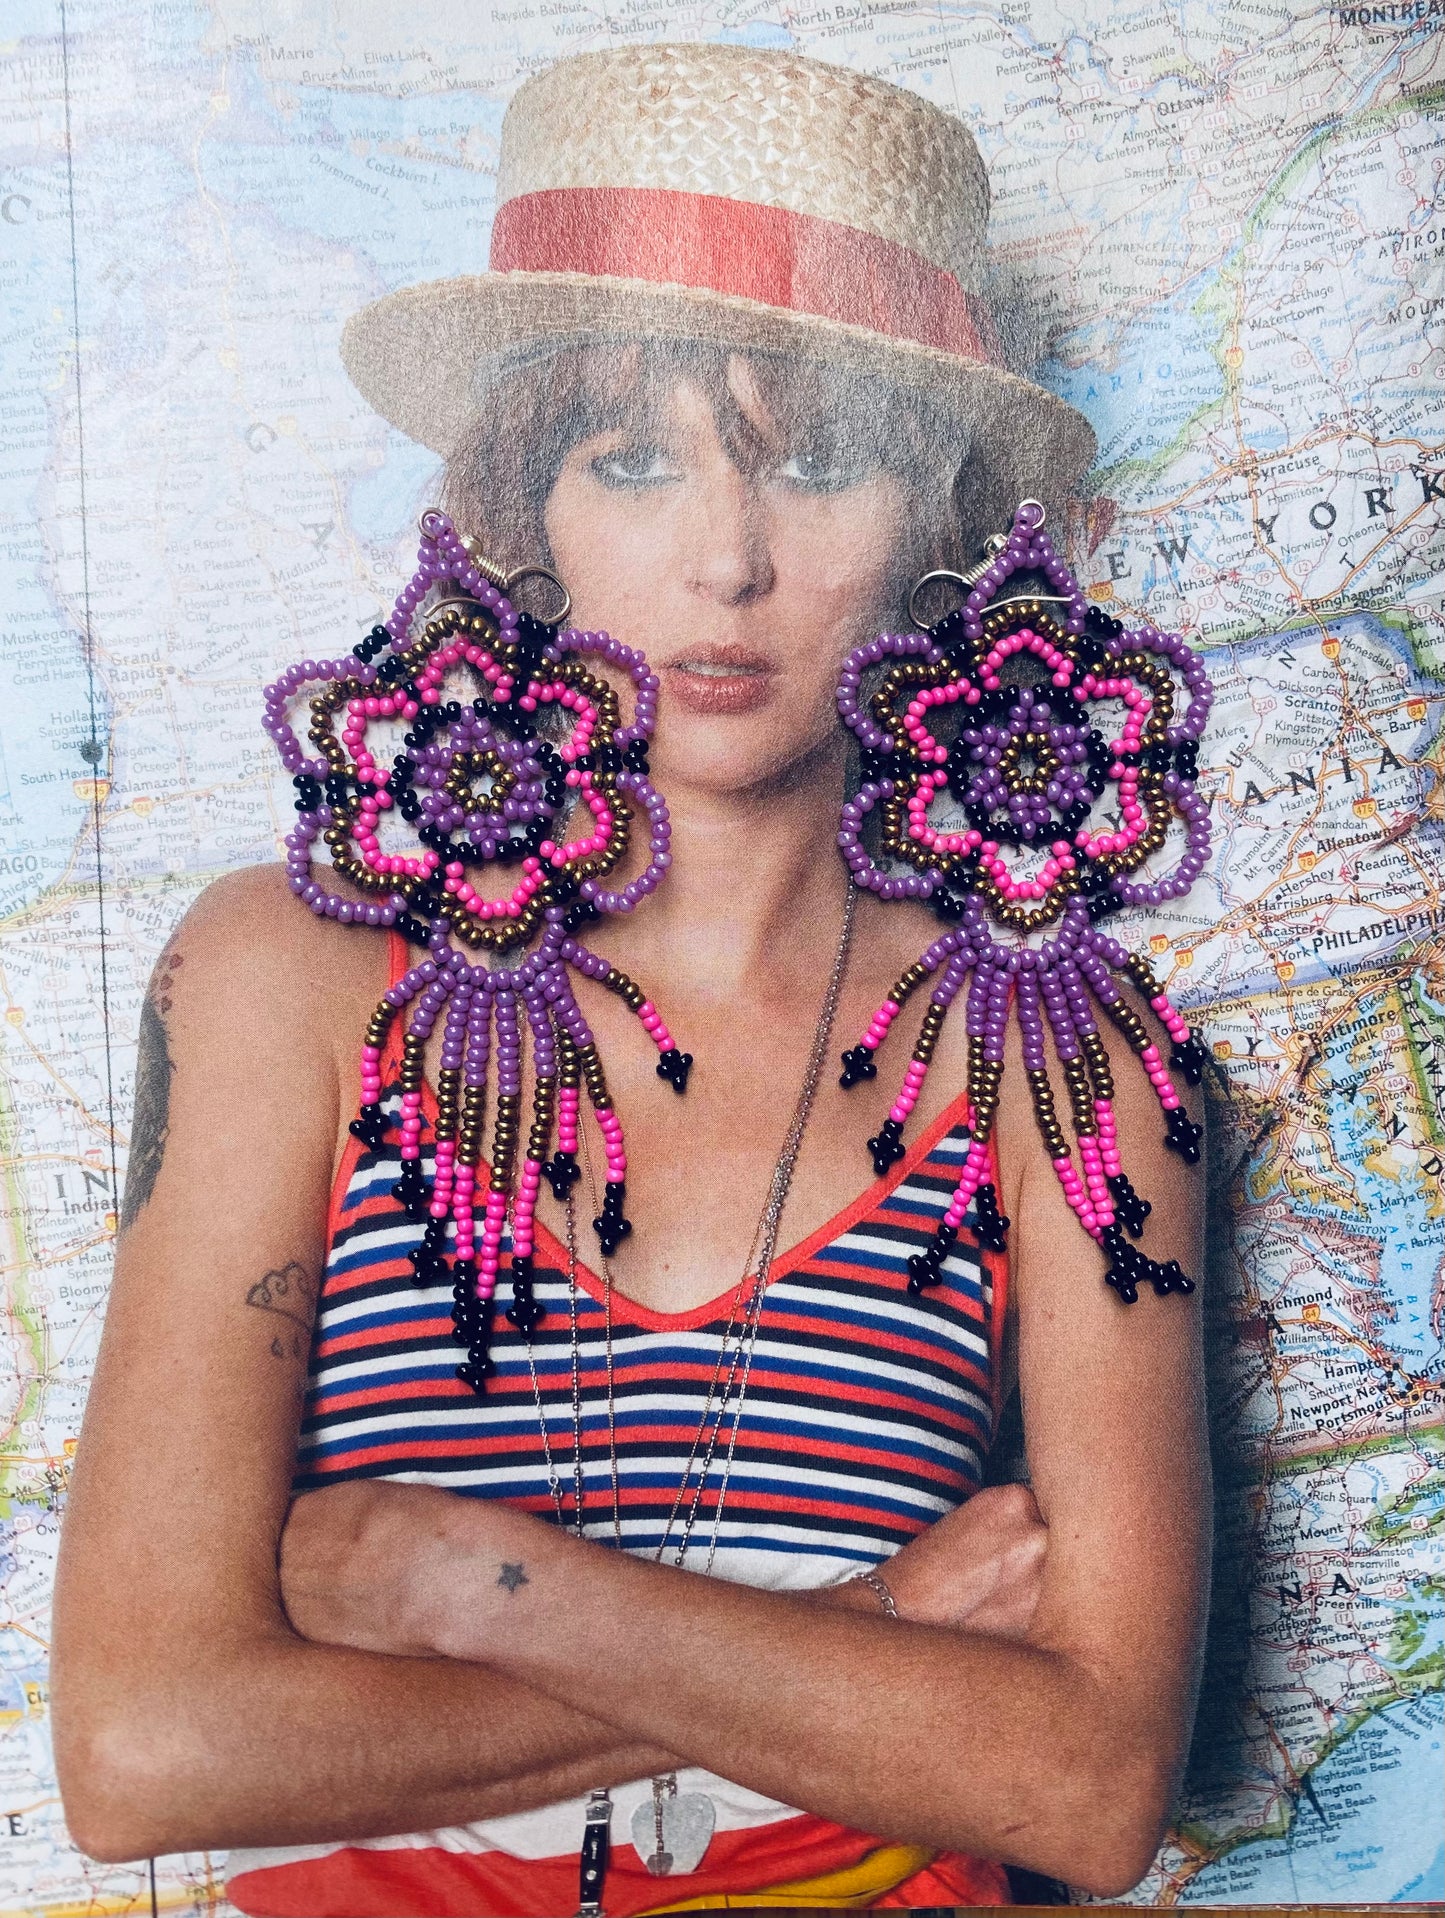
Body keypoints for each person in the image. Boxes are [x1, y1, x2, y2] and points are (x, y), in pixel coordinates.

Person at [51, 42, 1209, 1916]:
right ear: (527, 516)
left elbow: (1082, 1784)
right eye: (635, 459)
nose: (727, 561)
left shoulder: (1069, 1064)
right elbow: (146, 1749)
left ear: (934, 529)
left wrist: (477, 1586)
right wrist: (875, 1635)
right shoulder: (287, 977)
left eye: (818, 462)